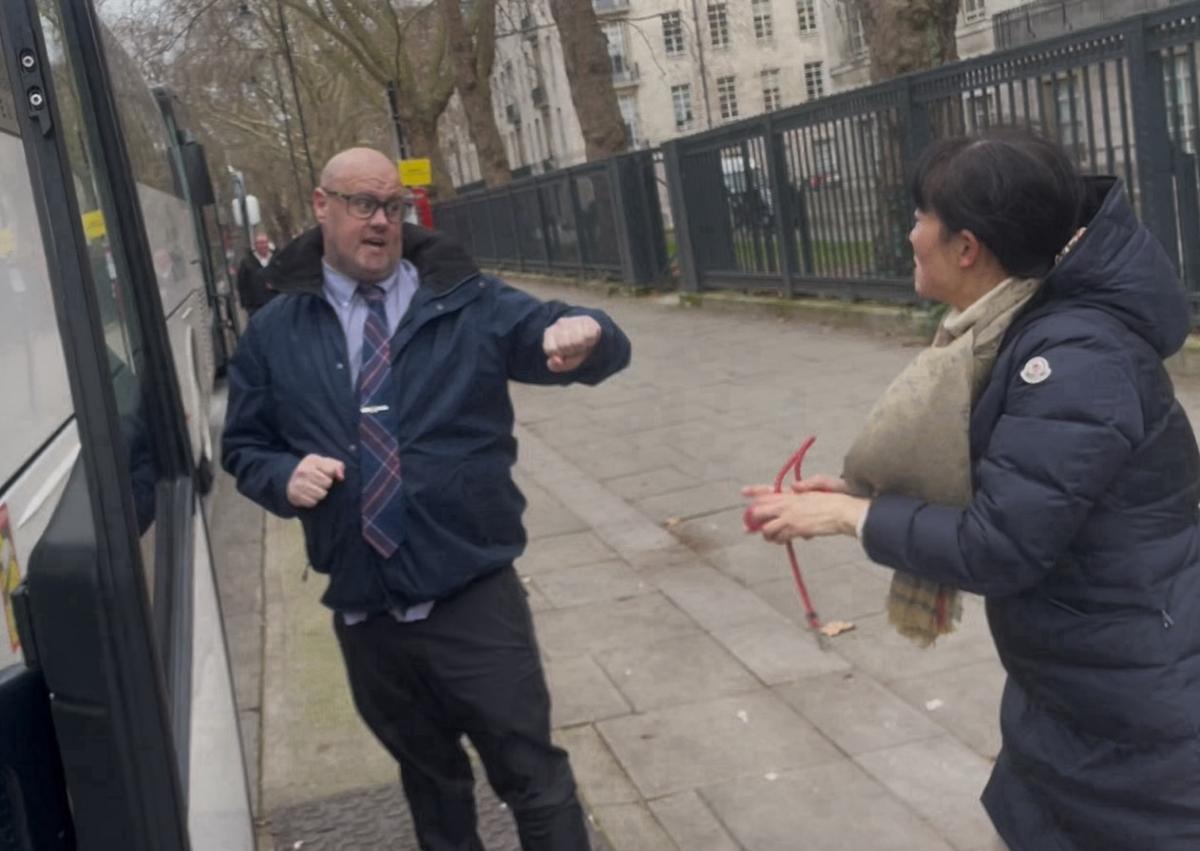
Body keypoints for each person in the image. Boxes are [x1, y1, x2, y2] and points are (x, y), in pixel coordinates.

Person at [744, 128, 1200, 850]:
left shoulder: (1076, 358)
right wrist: (862, 497)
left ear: (966, 247)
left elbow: (1001, 544)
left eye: (920, 216)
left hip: (1137, 709)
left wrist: (850, 516)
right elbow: (1020, 486)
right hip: (1083, 688)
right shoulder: (1024, 329)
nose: (910, 233)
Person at [222, 147, 630, 851]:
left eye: (393, 205)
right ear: (322, 206)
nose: (382, 221)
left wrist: (589, 334)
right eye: (363, 204)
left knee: (534, 780)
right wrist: (282, 477)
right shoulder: (274, 331)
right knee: (432, 788)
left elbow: (563, 335)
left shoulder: (464, 299)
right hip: (367, 611)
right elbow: (245, 446)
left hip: (473, 597)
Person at [235, 232, 276, 315]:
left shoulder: (276, 259)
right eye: (260, 243)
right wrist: (247, 305)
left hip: (276, 303)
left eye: (265, 242)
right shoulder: (247, 262)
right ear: (255, 245)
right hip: (256, 307)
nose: (263, 245)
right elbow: (241, 284)